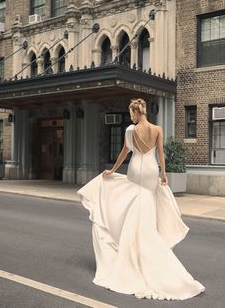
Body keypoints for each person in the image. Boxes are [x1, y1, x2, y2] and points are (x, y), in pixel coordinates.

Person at [77, 98, 205, 300]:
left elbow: (124, 153)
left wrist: (112, 170)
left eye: (131, 114)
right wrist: (164, 174)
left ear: (136, 113)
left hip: (136, 170)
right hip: (151, 172)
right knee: (145, 204)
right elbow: (161, 154)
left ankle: (127, 239)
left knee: (130, 199)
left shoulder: (130, 131)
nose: (131, 117)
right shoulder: (157, 129)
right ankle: (143, 237)